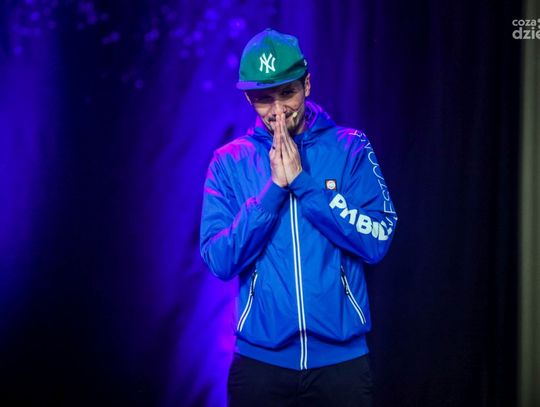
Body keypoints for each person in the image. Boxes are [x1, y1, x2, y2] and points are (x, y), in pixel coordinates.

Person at [200, 28, 397, 407]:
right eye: (263, 99)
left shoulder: (350, 147)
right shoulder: (228, 161)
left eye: (287, 93)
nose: (277, 111)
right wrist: (274, 189)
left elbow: (376, 241)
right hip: (260, 365)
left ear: (307, 84)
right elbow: (220, 260)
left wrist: (305, 185)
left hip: (341, 363)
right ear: (248, 98)